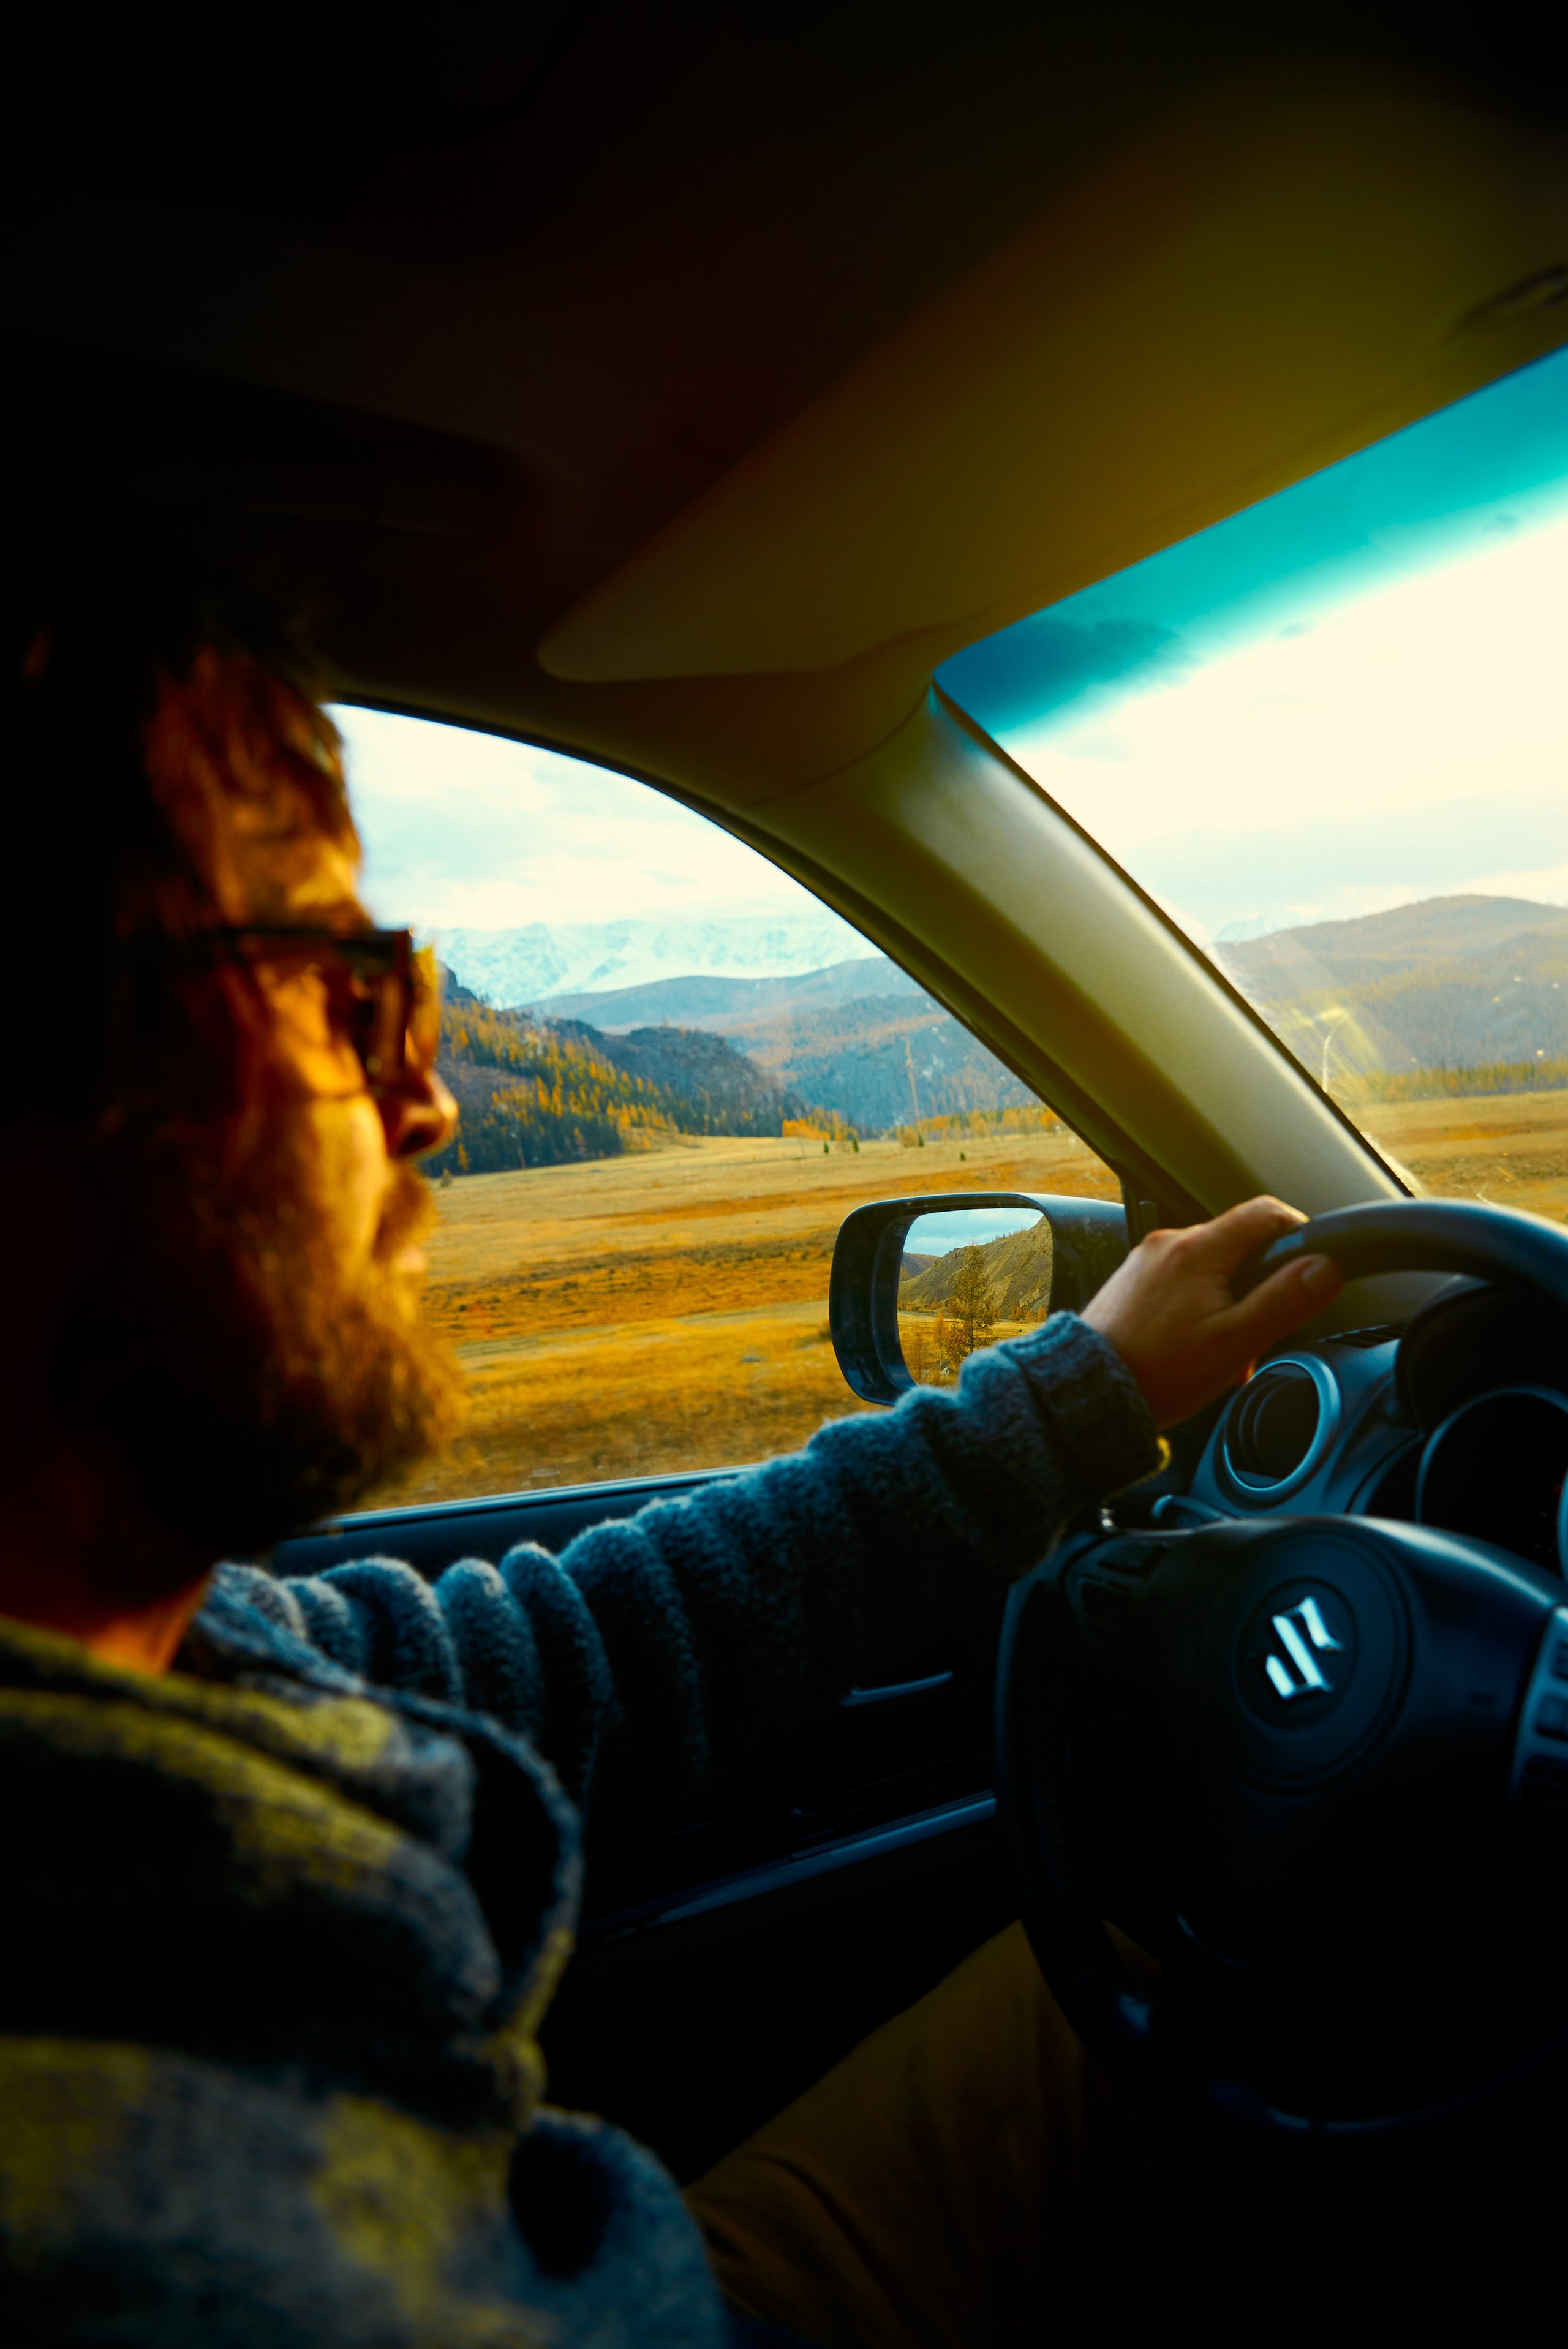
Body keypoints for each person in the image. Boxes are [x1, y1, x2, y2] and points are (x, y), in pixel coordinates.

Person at [0, 499, 1342, 2347]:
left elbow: (554, 1661)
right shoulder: (157, 2257)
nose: (430, 1104)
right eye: (337, 983)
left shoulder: (158, 1646)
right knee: (1255, 2005)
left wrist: (1077, 1397)